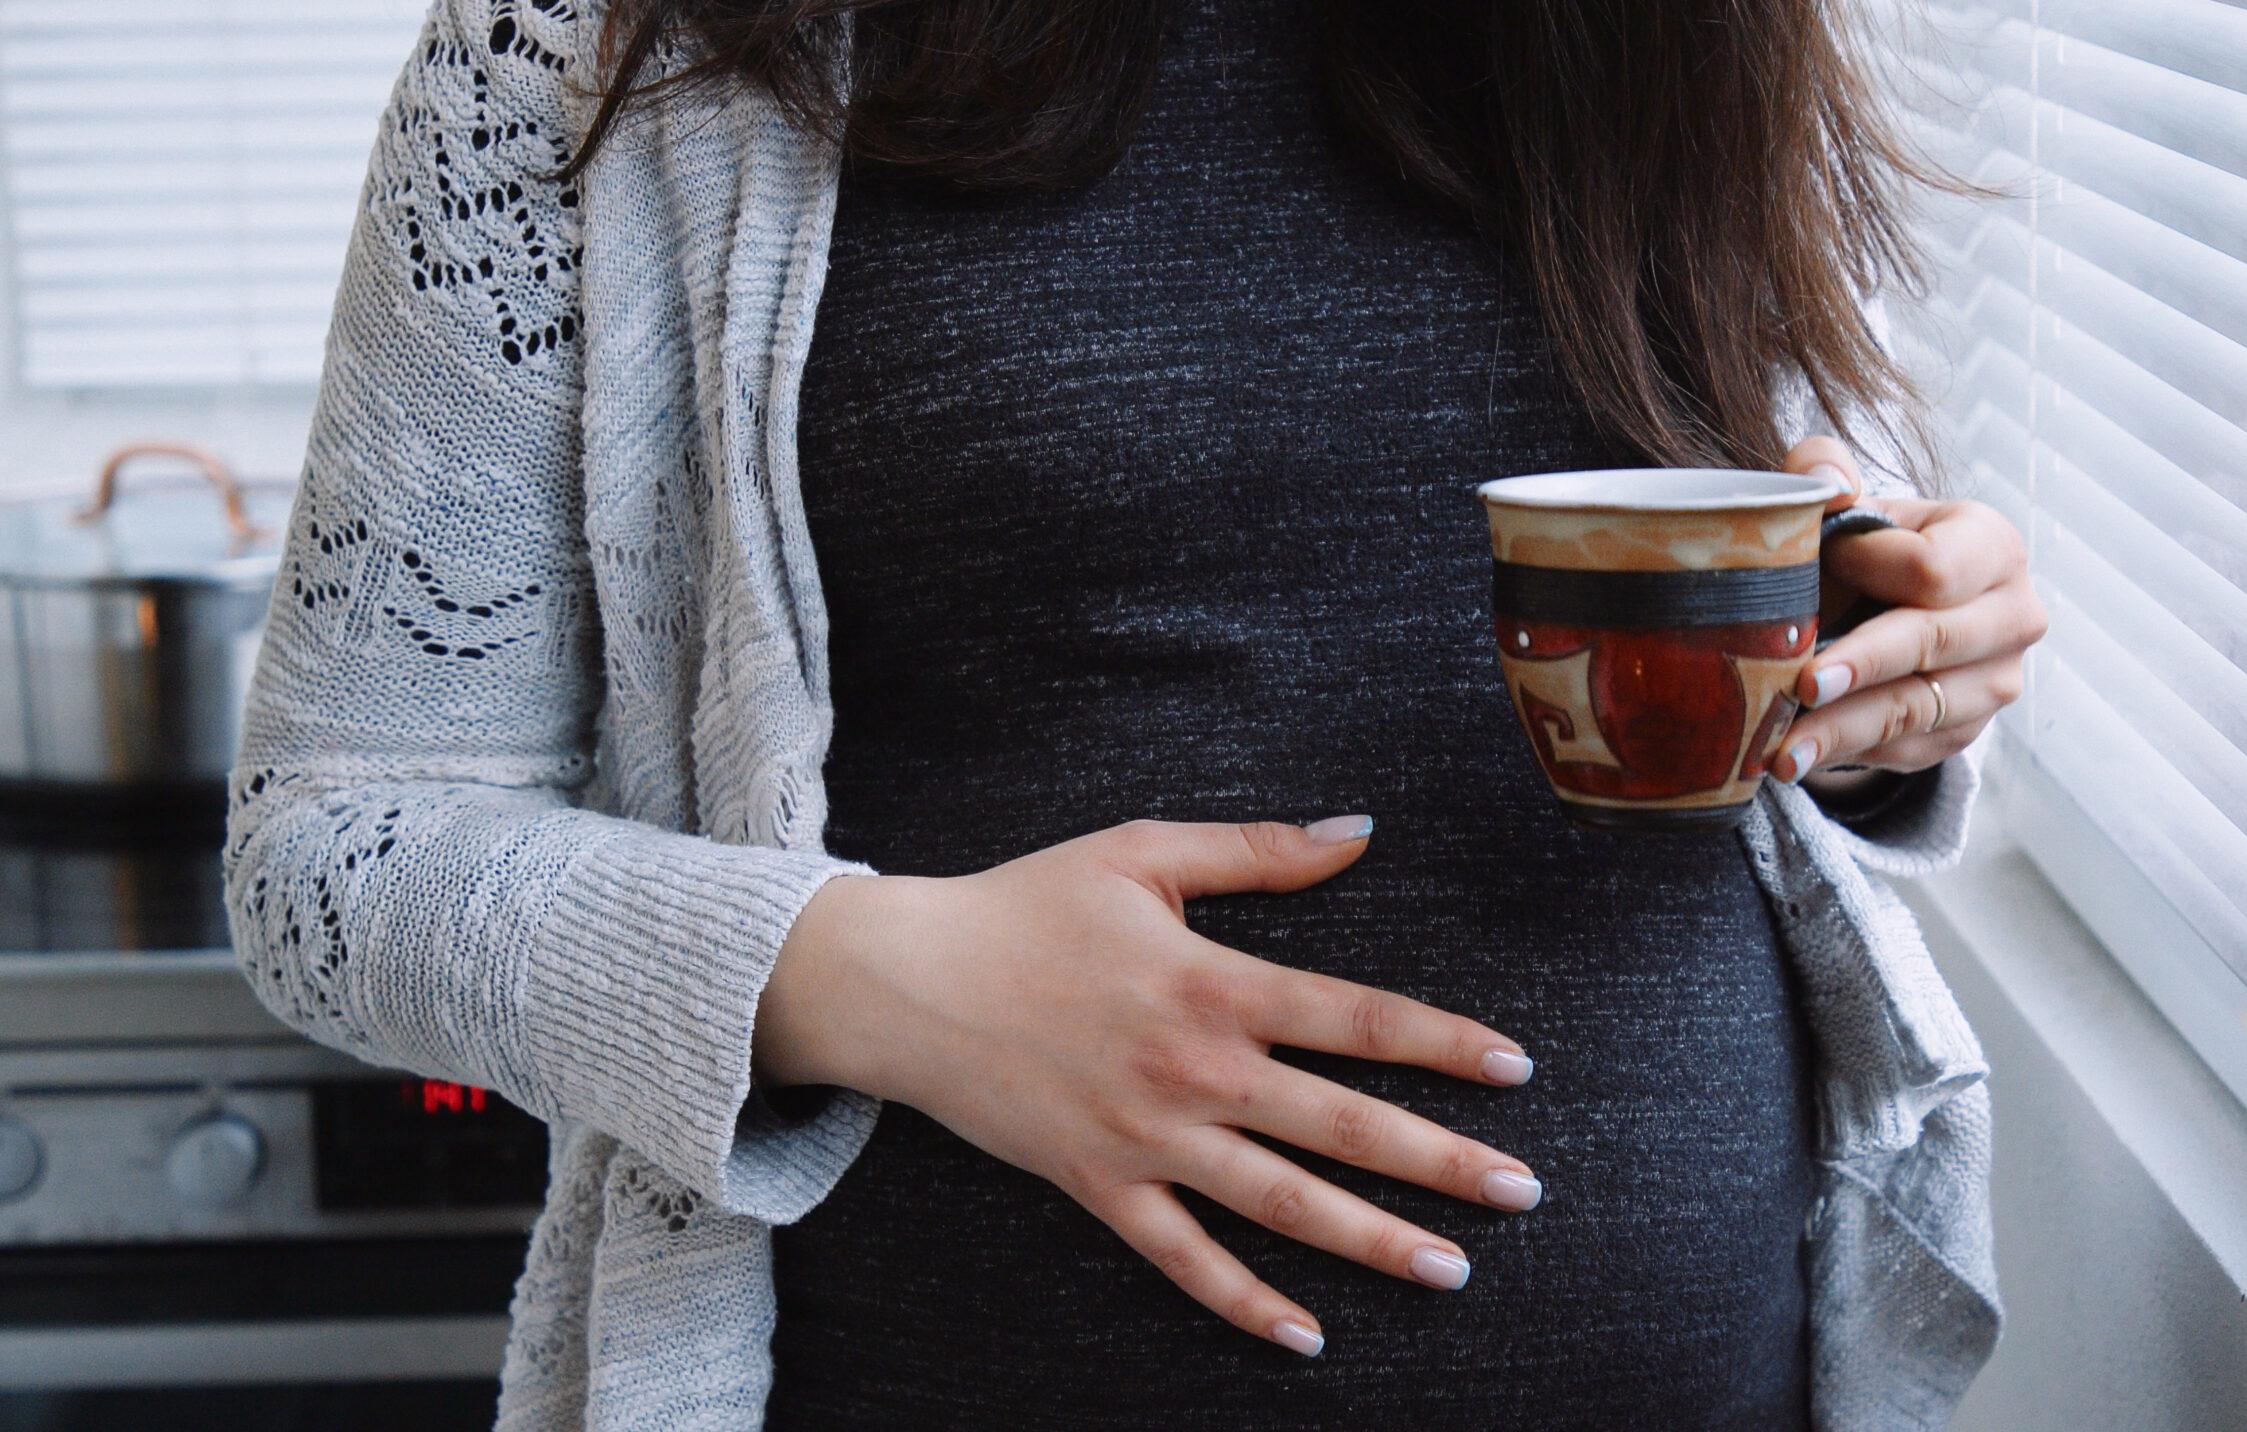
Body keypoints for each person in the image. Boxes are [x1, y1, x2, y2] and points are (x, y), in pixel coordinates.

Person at [224, 0, 2043, 1428]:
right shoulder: (609, 46)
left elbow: (1746, 587)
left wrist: (1893, 685)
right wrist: (880, 978)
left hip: (1724, 1380)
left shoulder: (1682, 26)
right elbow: (331, 846)